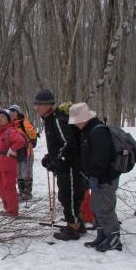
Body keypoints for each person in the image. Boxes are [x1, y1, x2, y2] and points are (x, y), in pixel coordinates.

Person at [69, 103, 122, 252]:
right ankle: (102, 235)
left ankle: (114, 239)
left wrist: (95, 175)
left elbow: (101, 157)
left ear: (83, 119)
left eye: (76, 121)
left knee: (106, 208)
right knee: (96, 208)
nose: (76, 124)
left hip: (105, 177)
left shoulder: (98, 131)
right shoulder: (87, 130)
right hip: (96, 177)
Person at [34, 89, 86, 241]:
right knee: (68, 195)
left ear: (48, 105)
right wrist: (49, 158)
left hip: (70, 166)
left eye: (39, 105)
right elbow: (59, 145)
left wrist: (56, 160)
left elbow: (68, 144)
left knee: (68, 195)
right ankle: (77, 223)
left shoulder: (57, 119)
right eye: (35, 105)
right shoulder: (50, 119)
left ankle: (73, 229)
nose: (36, 108)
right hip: (64, 165)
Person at [0, 109, 26, 216]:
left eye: (3, 117)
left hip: (7, 164)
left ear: (8, 119)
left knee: (8, 188)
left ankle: (13, 211)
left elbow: (20, 141)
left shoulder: (10, 130)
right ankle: (8, 209)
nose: (0, 119)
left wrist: (13, 149)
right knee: (1, 188)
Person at [8, 105, 38, 201]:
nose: (12, 113)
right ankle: (21, 193)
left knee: (26, 173)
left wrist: (29, 132)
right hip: (16, 153)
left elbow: (33, 133)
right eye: (10, 111)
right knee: (19, 173)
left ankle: (28, 193)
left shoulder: (23, 122)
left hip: (27, 152)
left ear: (18, 112)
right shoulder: (11, 124)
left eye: (14, 111)